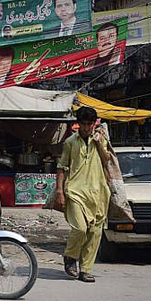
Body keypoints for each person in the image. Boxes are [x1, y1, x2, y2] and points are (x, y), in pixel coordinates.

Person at [56, 107, 111, 283]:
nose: (87, 128)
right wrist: (59, 192)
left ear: (94, 124)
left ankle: (86, 270)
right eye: (84, 124)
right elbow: (62, 167)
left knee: (95, 233)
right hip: (75, 191)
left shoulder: (100, 139)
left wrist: (98, 142)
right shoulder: (70, 142)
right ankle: (70, 257)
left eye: (90, 124)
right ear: (78, 124)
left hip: (98, 192)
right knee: (80, 228)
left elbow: (106, 160)